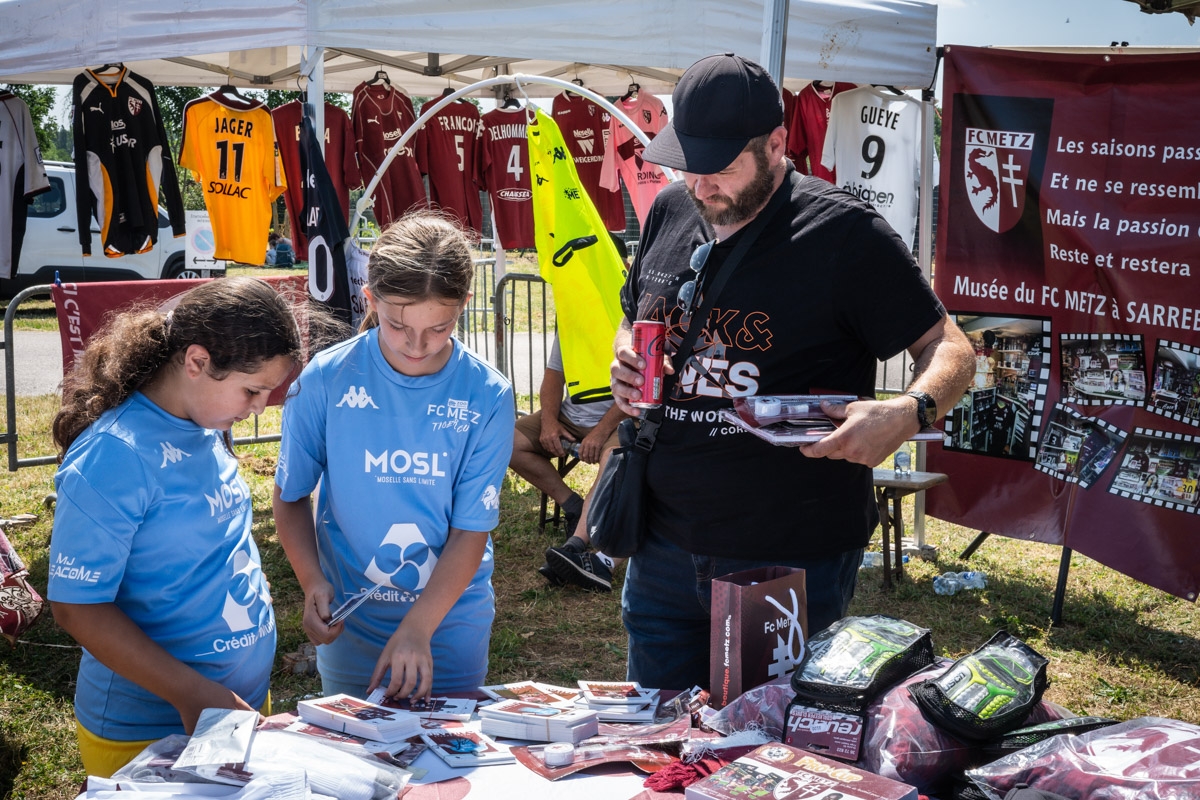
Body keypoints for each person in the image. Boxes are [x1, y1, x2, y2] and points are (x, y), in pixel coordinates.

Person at [609, 54, 976, 690]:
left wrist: (906, 412)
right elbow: (632, 313)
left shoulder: (845, 234)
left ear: (777, 144)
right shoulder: (671, 207)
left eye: (721, 168)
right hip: (663, 545)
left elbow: (950, 347)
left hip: (785, 552)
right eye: (690, 165)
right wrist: (626, 357)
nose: (702, 187)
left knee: (765, 738)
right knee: (659, 738)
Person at [47, 278, 302, 778]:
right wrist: (193, 695)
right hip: (151, 726)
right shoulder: (115, 454)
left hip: (233, 705)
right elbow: (76, 607)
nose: (258, 408)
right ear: (197, 362)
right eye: (252, 390)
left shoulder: (206, 421)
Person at [274, 212, 514, 702]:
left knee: (444, 747)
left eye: (439, 328)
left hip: (448, 623)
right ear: (370, 299)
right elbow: (290, 494)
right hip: (351, 625)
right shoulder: (326, 378)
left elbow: (471, 530)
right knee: (355, 745)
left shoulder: (488, 394)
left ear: (464, 305)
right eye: (397, 325)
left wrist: (418, 628)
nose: (416, 345)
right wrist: (312, 581)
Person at [510, 233, 629, 593]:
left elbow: (635, 393)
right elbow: (553, 377)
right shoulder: (575, 314)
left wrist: (599, 432)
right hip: (570, 417)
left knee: (616, 458)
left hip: (619, 419)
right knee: (507, 441)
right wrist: (548, 421)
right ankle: (573, 505)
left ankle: (578, 543)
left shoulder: (632, 316)